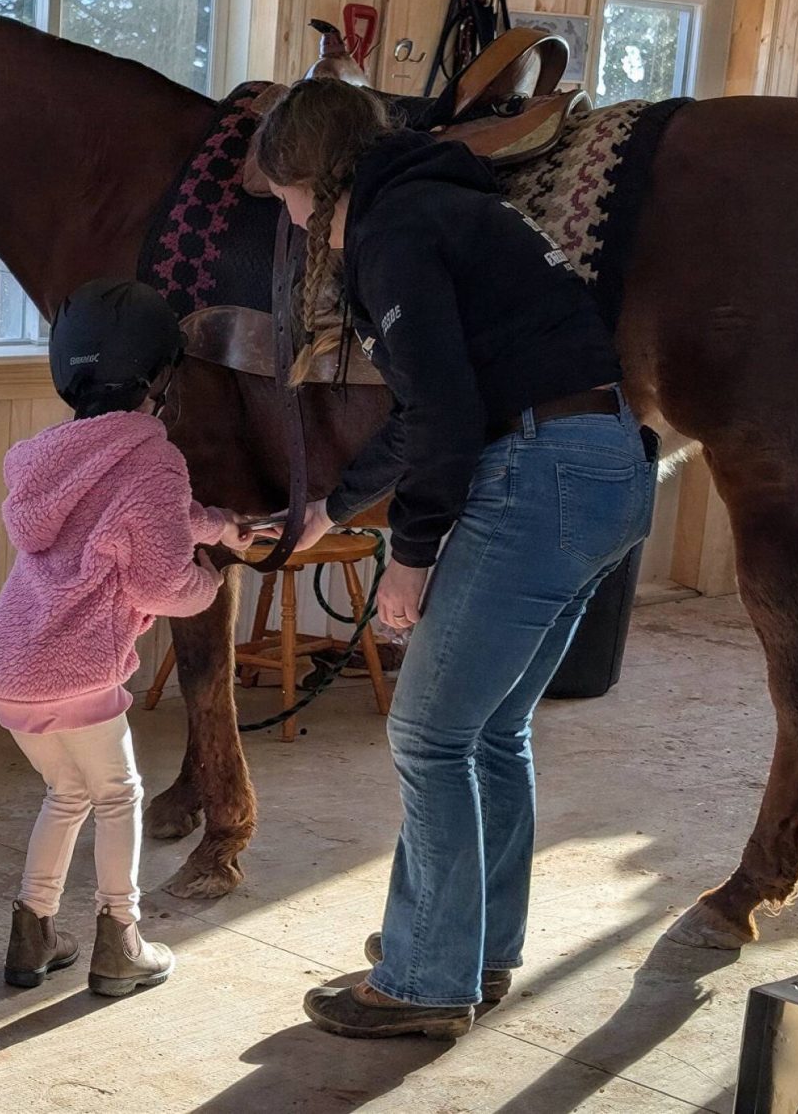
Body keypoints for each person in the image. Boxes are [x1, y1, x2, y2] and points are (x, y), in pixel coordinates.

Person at [253, 79, 656, 1040]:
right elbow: (430, 405)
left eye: (291, 198)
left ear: (316, 173)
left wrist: (410, 554)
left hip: (538, 476)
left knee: (428, 734)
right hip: (608, 467)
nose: (295, 217)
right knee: (489, 731)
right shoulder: (452, 205)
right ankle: (474, 947)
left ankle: (426, 978)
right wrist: (329, 507)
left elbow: (445, 418)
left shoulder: (393, 234)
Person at [0, 278, 252, 996]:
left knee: (67, 791)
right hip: (77, 665)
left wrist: (215, 523)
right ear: (160, 377)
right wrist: (213, 580)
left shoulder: (50, 458)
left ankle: (32, 934)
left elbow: (137, 514)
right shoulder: (153, 457)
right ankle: (121, 941)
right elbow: (163, 582)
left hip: (8, 661)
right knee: (119, 794)